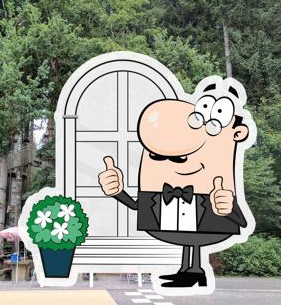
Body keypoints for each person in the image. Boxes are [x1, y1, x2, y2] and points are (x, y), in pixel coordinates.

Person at [98, 77, 253, 287]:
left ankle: (195, 270)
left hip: (207, 216)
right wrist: (117, 191)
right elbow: (138, 206)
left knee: (196, 238)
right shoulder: (157, 193)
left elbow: (240, 221)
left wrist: (227, 208)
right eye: (158, 157)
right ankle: (189, 270)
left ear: (238, 133)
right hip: (171, 220)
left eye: (179, 157)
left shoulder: (216, 188)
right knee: (189, 239)